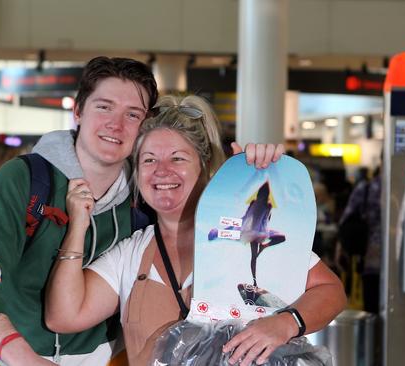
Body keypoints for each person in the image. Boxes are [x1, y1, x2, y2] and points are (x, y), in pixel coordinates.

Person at [45, 95, 347, 366]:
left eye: (177, 158)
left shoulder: (247, 234)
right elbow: (64, 315)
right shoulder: (132, 253)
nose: (162, 171)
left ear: (204, 167)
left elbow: (330, 291)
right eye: (149, 160)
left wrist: (285, 322)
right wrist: (78, 227)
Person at [0, 57, 160, 366]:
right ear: (77, 111)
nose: (116, 123)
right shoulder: (26, 179)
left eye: (133, 114)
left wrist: (252, 168)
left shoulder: (147, 196)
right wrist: (21, 356)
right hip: (3, 357)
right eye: (104, 106)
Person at [337, 167, 381, 313]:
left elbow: (346, 220)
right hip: (403, 260)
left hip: (371, 258)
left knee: (371, 309)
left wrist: (341, 248)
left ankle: (375, 335)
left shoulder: (366, 187)